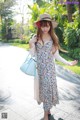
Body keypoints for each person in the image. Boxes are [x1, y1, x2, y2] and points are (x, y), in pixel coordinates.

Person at [29, 13, 78, 120]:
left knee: (47, 89)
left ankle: (45, 116)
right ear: (39, 26)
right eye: (43, 25)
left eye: (47, 25)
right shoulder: (35, 37)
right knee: (44, 90)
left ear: (50, 26)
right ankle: (48, 111)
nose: (45, 28)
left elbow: (57, 55)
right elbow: (32, 54)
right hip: (40, 69)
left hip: (50, 70)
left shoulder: (53, 38)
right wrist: (31, 43)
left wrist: (68, 63)